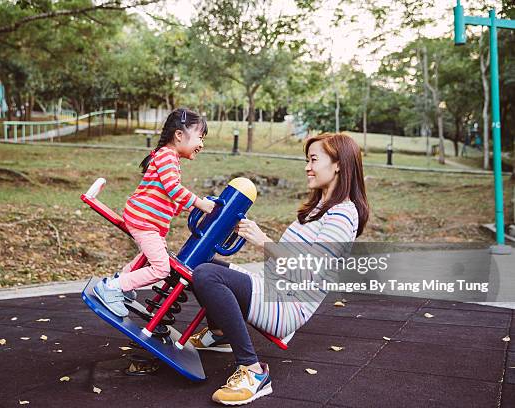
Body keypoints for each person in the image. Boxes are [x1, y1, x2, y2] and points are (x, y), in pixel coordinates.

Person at [189, 132, 369, 405]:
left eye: (313, 160)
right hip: (275, 289)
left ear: (338, 164)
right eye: (306, 160)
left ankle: (253, 372)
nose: (307, 167)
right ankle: (220, 334)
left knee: (207, 275)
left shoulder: (343, 213)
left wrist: (263, 242)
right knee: (201, 264)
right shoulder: (320, 207)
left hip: (287, 306)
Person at [94, 108, 215, 317]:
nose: (202, 144)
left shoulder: (170, 158)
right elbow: (174, 189)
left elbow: (168, 195)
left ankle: (124, 278)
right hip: (144, 220)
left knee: (152, 257)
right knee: (161, 269)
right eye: (200, 137)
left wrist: (188, 206)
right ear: (179, 135)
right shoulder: (167, 156)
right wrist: (200, 204)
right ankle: (112, 287)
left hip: (147, 221)